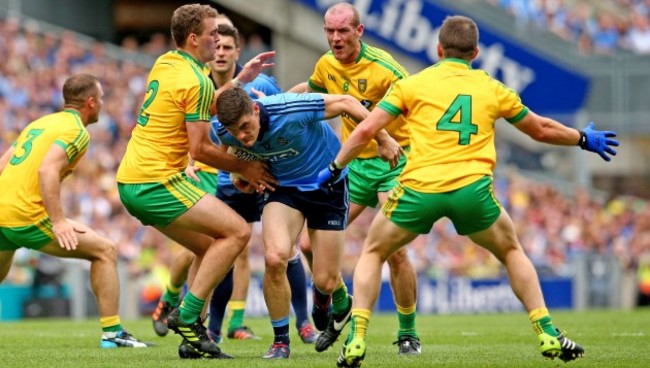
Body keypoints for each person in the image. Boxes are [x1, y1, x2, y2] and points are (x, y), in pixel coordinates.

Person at [319, 15, 618, 367]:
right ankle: (547, 332)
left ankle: (356, 340)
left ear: (438, 49)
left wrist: (335, 167)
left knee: (372, 251)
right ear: (475, 52)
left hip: (420, 190)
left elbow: (366, 129)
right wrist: (582, 138)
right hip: (472, 191)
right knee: (510, 251)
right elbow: (540, 129)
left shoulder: (414, 84)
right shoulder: (492, 87)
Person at [116, 3, 276, 359]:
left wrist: (238, 81)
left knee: (207, 246)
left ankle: (192, 337)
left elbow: (199, 102)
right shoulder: (197, 80)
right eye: (212, 34)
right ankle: (187, 317)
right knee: (238, 232)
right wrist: (245, 167)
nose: (218, 41)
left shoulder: (167, 63)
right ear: (193, 39)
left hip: (133, 180)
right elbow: (200, 149)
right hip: (155, 181)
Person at [152, 23, 318, 345]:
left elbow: (280, 114)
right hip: (214, 172)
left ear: (236, 52)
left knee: (279, 248)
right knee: (213, 248)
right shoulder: (196, 82)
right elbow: (186, 133)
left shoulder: (260, 84)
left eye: (228, 47)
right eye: (218, 46)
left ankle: (298, 322)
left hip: (260, 172)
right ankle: (197, 321)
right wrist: (188, 164)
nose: (221, 52)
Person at [289, 2, 421, 355]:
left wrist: (391, 140)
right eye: (330, 31)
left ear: (358, 31)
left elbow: (418, 107)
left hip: (395, 160)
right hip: (355, 166)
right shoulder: (325, 63)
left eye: (343, 31)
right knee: (306, 245)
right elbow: (315, 88)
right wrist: (280, 101)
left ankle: (408, 332)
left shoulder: (386, 70)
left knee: (393, 249)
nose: (335, 38)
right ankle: (342, 301)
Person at [214, 87, 369, 359]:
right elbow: (227, 152)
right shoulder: (225, 129)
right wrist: (239, 172)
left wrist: (384, 137)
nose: (242, 136)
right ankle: (280, 342)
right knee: (274, 259)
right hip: (283, 189)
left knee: (326, 279)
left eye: (245, 127)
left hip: (327, 184)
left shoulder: (290, 109)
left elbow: (347, 101)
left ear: (256, 110)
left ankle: (324, 298)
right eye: (235, 130)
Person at [0, 73, 150, 348]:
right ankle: (113, 334)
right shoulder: (76, 132)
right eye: (102, 98)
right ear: (90, 103)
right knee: (105, 251)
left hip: (3, 210)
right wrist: (58, 221)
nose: (103, 104)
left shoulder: (40, 123)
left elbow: (3, 164)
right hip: (25, 215)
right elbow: (47, 170)